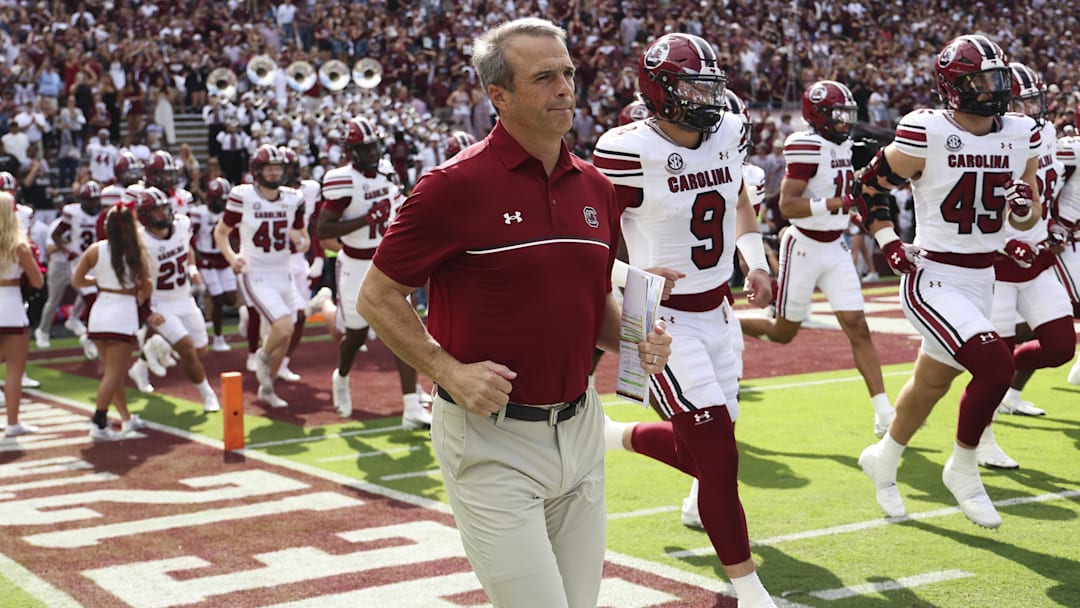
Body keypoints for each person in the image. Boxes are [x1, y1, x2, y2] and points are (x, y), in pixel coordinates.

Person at [357, 18, 671, 608]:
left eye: (569, 74)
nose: (564, 89)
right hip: (490, 439)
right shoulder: (451, 186)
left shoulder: (596, 188)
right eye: (544, 77)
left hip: (581, 429)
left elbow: (590, 303)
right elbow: (376, 293)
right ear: (497, 95)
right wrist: (447, 371)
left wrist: (635, 341)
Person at [592, 33, 776, 608]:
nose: (707, 98)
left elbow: (738, 195)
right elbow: (585, 237)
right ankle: (750, 591)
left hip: (718, 309)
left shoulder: (728, 130)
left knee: (715, 447)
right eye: (693, 86)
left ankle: (613, 438)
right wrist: (629, 277)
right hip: (659, 316)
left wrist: (755, 260)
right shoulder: (624, 150)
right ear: (660, 92)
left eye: (710, 85)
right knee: (718, 456)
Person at [856, 34, 1043, 529]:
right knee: (997, 367)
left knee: (931, 383)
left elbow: (1027, 215)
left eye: (998, 76)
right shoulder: (927, 132)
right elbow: (867, 185)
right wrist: (887, 238)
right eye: (981, 79)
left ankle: (885, 456)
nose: (994, 87)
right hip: (932, 274)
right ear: (954, 87)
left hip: (982, 275)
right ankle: (962, 468)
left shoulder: (1021, 132)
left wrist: (1024, 209)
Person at [740, 80, 896, 438]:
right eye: (837, 116)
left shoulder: (842, 145)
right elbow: (788, 204)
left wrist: (850, 208)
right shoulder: (805, 145)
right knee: (783, 333)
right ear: (819, 116)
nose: (845, 123)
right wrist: (839, 203)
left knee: (858, 326)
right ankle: (734, 324)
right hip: (804, 245)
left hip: (835, 245)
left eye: (847, 116)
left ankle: (884, 411)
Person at [318, 118, 432, 427]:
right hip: (354, 264)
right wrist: (366, 219)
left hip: (387, 261)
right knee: (354, 336)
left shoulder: (386, 171)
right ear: (352, 151)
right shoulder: (342, 179)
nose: (371, 152)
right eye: (364, 148)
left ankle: (410, 406)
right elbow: (323, 228)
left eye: (373, 146)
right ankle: (341, 376)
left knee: (403, 329)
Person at [985, 63, 1075, 432]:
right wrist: (1005, 241)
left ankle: (1007, 389)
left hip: (1037, 254)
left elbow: (1051, 192)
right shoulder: (991, 140)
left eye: (1036, 102)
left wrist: (1054, 225)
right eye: (1022, 104)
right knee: (995, 356)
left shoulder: (1047, 134)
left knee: (1059, 347)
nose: (1033, 111)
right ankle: (982, 433)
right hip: (996, 262)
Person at [213, 144, 307, 409]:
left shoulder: (292, 198)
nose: (276, 173)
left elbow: (303, 236)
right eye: (270, 168)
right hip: (257, 272)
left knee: (286, 335)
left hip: (283, 271)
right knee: (284, 326)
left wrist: (301, 241)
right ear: (258, 171)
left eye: (278, 168)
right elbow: (221, 232)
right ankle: (262, 355)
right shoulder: (243, 197)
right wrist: (232, 258)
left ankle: (267, 386)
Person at [127, 187, 221, 413]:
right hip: (160, 301)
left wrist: (191, 266)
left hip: (184, 297)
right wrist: (147, 313)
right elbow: (134, 281)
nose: (163, 215)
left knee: (200, 351)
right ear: (145, 216)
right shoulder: (139, 241)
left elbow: (186, 246)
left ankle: (142, 364)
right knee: (187, 349)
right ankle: (207, 394)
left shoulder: (182, 224)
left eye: (164, 209)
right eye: (157, 212)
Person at [70, 201, 153, 440]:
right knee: (114, 373)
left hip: (99, 311)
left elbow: (77, 281)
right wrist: (137, 290)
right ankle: (99, 421)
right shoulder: (136, 251)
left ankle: (126, 418)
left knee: (112, 373)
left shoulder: (96, 249)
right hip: (122, 314)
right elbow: (147, 288)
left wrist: (98, 282)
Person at [0, 192, 44, 436]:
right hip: (12, 308)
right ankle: (13, 424)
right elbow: (37, 282)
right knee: (15, 371)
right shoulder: (20, 245)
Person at [189, 177, 235, 352]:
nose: (222, 203)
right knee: (217, 299)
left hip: (224, 259)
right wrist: (198, 258)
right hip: (207, 260)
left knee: (230, 298)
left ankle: (206, 317)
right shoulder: (199, 213)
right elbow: (190, 238)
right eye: (219, 200)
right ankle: (218, 337)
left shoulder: (227, 213)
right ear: (210, 198)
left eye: (224, 200)